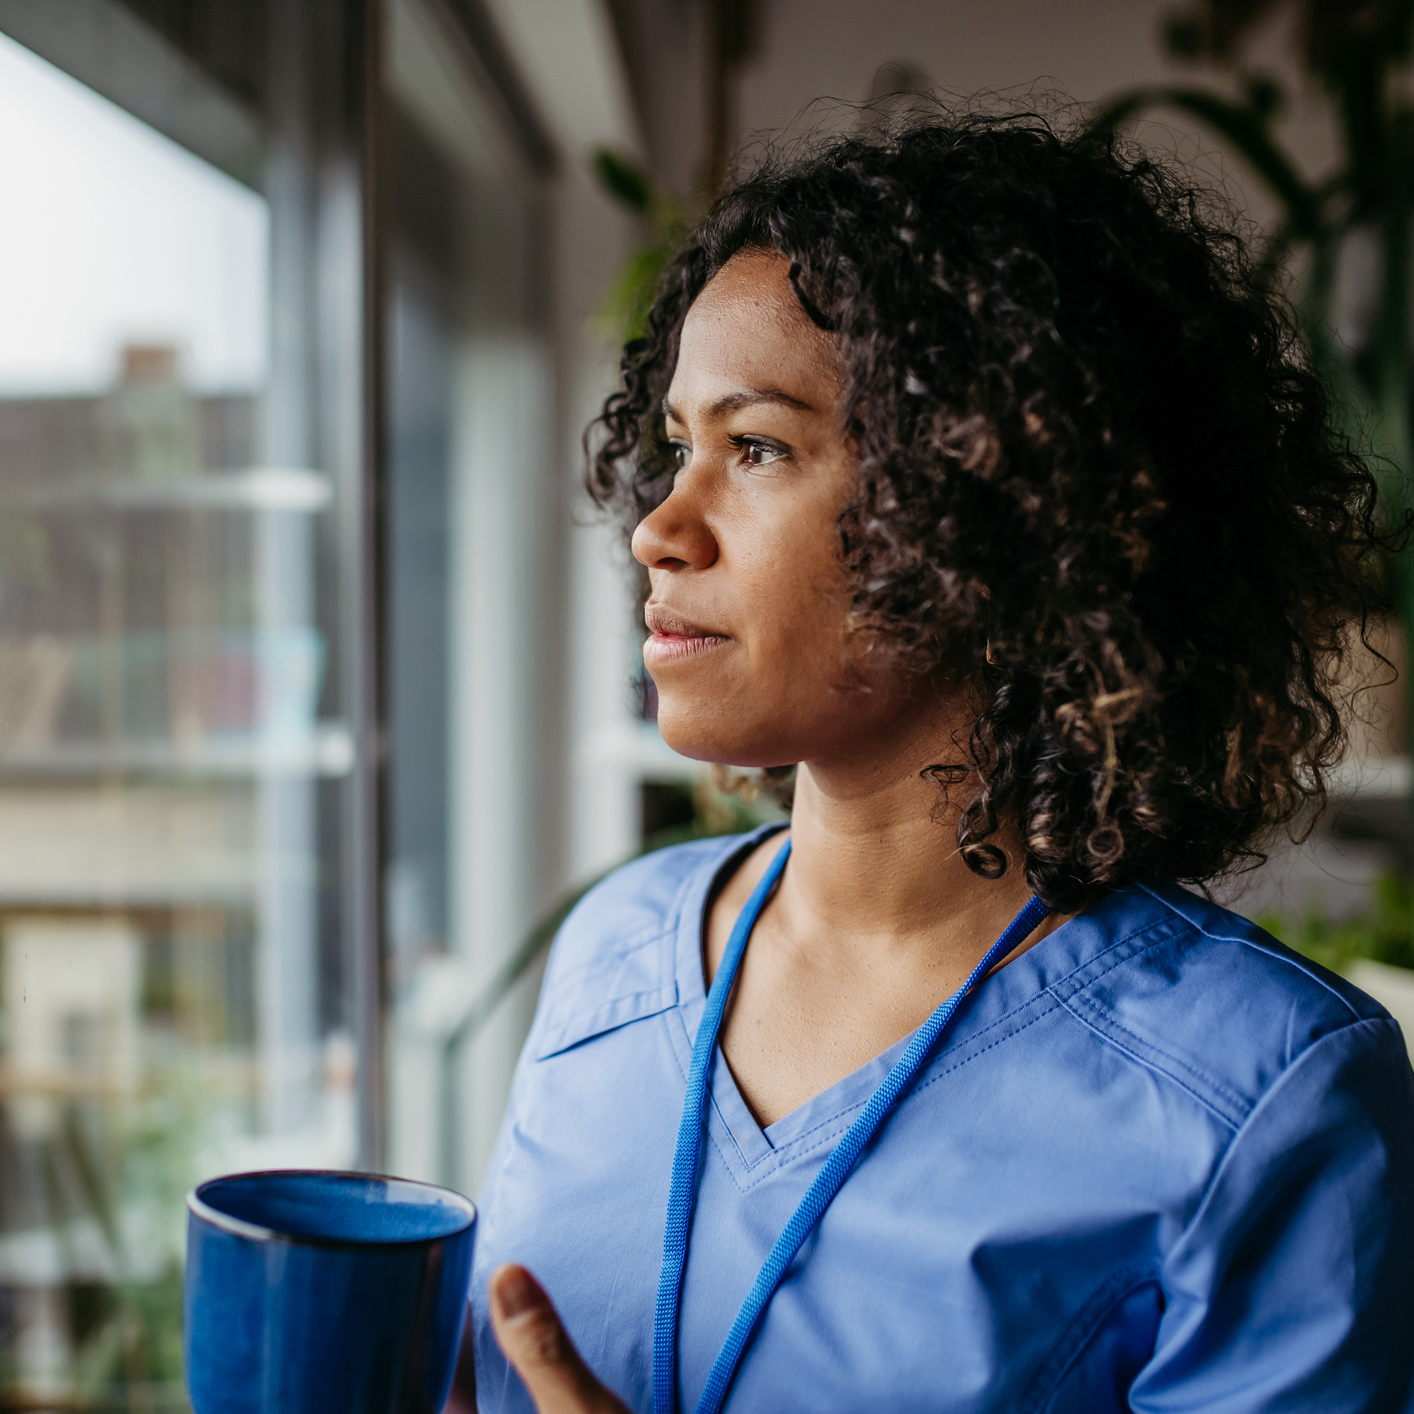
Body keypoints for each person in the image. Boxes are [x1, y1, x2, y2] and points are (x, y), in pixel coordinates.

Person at [468, 110, 1414, 1413]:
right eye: (675, 445)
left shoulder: (1263, 1094)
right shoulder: (613, 950)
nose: (659, 528)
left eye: (755, 448)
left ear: (993, 510)